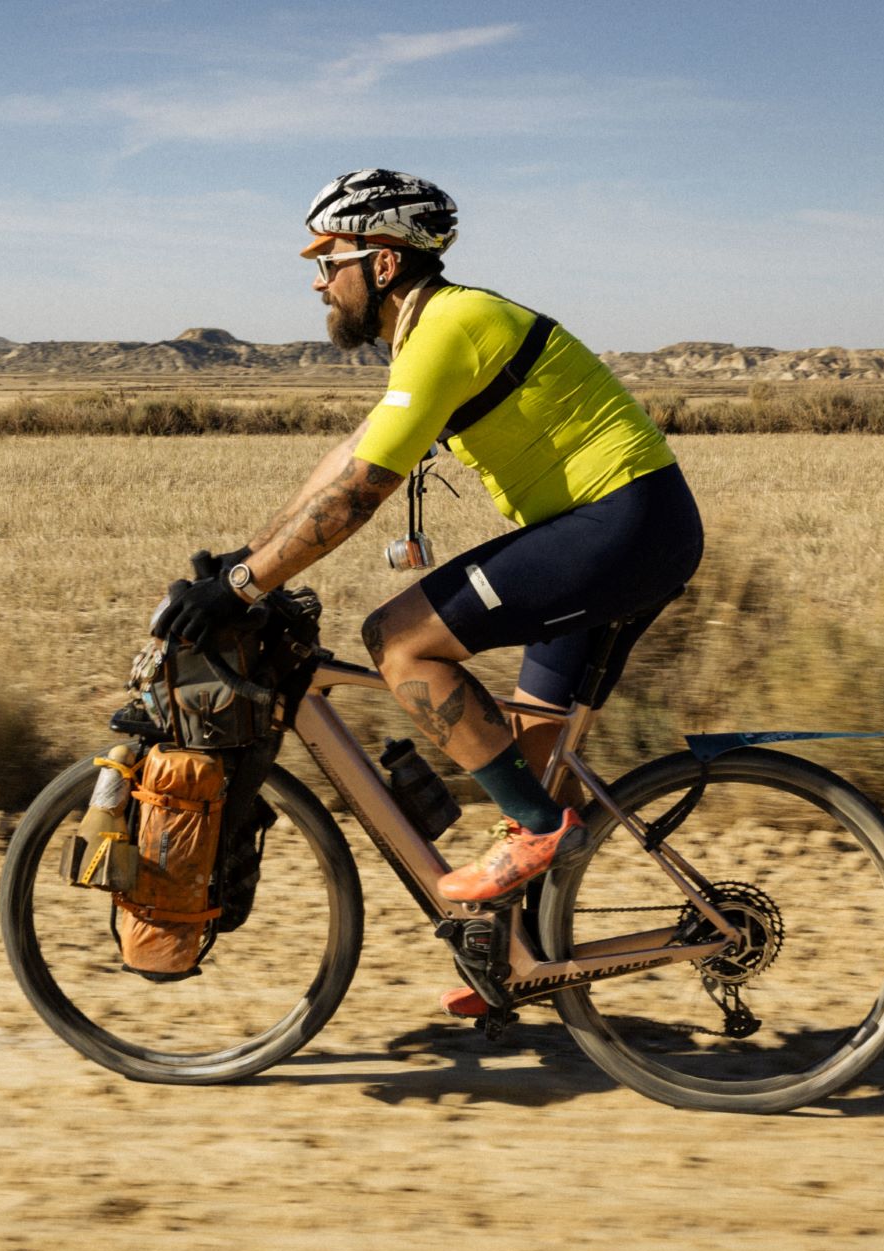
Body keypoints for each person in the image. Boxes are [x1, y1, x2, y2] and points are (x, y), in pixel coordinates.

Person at [157, 169, 704, 1017]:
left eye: (327, 260)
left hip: (618, 528)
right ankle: (519, 961)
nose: (316, 281)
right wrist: (248, 556)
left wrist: (243, 587)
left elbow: (358, 494)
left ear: (381, 264)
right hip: (624, 530)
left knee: (400, 640)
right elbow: (347, 458)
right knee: (529, 763)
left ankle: (539, 831)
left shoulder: (450, 326)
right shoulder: (432, 334)